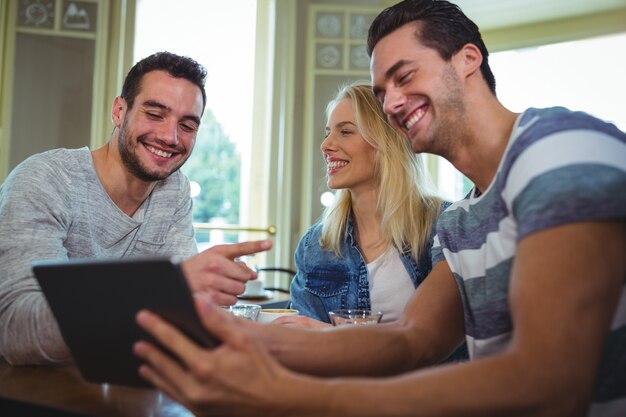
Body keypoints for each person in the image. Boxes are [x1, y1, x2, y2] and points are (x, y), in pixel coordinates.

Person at [133, 1, 626, 416]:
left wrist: (297, 395)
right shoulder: (462, 219)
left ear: (468, 60)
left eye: (404, 76)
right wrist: (244, 336)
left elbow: (554, 380)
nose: (391, 103)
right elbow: (412, 338)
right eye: (382, 91)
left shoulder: (558, 149)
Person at [0, 51, 271, 366]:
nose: (170, 137)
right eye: (155, 114)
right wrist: (170, 289)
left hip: (121, 385)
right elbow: (17, 330)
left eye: (187, 125)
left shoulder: (174, 190)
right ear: (119, 111)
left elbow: (180, 316)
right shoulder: (45, 179)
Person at [280, 81, 446, 329]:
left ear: (385, 141)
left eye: (345, 132)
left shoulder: (444, 225)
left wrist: (330, 335)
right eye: (328, 133)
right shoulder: (315, 245)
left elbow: (442, 333)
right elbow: (303, 341)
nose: (326, 145)